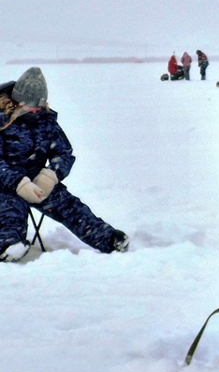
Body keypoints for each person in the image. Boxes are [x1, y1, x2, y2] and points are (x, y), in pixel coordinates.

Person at [0, 67, 129, 262]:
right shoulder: (3, 120)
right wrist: (18, 183)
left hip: (36, 183)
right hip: (5, 185)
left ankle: (107, 239)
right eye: (32, 105)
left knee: (68, 205)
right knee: (12, 206)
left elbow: (63, 152)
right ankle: (7, 246)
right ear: (19, 100)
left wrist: (50, 176)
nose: (36, 110)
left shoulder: (46, 120)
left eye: (40, 105)